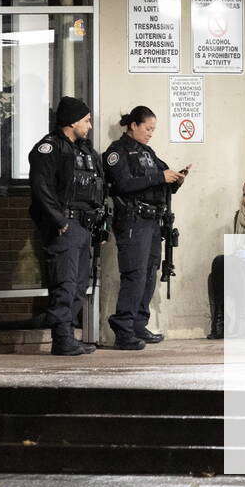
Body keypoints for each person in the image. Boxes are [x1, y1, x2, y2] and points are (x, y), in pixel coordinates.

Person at [103, 106, 190, 349]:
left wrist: (176, 178)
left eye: (153, 129)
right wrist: (160, 178)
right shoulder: (116, 152)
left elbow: (163, 178)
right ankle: (123, 330)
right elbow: (123, 184)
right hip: (132, 220)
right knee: (135, 274)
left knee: (150, 271)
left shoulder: (148, 152)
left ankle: (138, 325)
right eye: (148, 128)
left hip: (152, 221)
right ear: (133, 125)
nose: (151, 133)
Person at [29, 96, 105, 356]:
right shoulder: (49, 148)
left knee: (79, 284)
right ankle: (61, 339)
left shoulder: (83, 149)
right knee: (65, 283)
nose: (90, 126)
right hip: (65, 227)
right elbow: (42, 188)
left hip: (83, 227)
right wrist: (59, 221)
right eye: (86, 120)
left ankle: (69, 336)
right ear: (72, 122)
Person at [206, 177, 245, 339]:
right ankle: (220, 322)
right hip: (241, 267)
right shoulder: (239, 216)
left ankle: (237, 321)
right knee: (220, 263)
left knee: (227, 265)